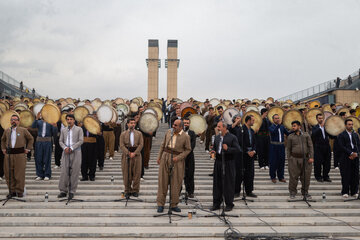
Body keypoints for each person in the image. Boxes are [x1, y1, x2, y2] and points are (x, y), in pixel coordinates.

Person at [156, 119, 191, 213]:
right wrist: (159, 157)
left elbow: (188, 150)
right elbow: (163, 145)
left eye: (176, 125)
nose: (173, 126)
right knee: (162, 181)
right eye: (173, 125)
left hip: (177, 160)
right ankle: (160, 204)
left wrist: (179, 157)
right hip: (165, 156)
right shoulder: (168, 132)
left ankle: (174, 204)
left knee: (176, 183)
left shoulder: (185, 137)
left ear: (181, 127)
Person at [210, 121, 241, 212]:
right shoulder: (216, 137)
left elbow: (238, 150)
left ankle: (229, 203)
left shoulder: (232, 137)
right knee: (217, 183)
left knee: (228, 184)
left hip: (228, 162)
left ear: (224, 127)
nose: (218, 129)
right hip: (218, 162)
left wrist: (228, 149)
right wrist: (213, 152)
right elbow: (215, 148)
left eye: (219, 127)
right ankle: (216, 203)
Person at [1, 114, 34, 198]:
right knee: (9, 173)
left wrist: (28, 149)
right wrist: (3, 149)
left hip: (19, 154)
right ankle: (12, 191)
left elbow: (31, 139)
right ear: (10, 121)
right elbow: (3, 140)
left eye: (15, 120)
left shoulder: (23, 130)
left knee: (19, 173)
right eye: (12, 120)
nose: (13, 121)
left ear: (19, 121)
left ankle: (19, 191)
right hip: (9, 154)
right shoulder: (7, 130)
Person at [57, 114, 84, 199]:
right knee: (64, 172)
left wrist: (72, 148)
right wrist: (65, 148)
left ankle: (72, 191)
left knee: (74, 172)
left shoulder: (79, 129)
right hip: (66, 152)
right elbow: (60, 141)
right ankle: (63, 190)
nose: (69, 121)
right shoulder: (64, 130)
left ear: (74, 120)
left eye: (71, 119)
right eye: (67, 119)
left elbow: (81, 140)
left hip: (76, 152)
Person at [286, 121, 314, 200]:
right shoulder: (290, 136)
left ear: (299, 126)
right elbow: (288, 149)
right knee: (293, 177)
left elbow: (310, 146)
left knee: (306, 177)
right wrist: (289, 159)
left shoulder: (306, 135)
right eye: (292, 126)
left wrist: (311, 157)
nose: (293, 127)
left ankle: (305, 192)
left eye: (294, 126)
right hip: (294, 159)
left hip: (305, 159)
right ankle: (292, 192)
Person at [119, 118, 143, 197]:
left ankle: (135, 190)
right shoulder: (123, 134)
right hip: (127, 155)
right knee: (126, 173)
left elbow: (141, 144)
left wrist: (135, 153)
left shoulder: (139, 133)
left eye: (134, 123)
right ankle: (127, 190)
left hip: (136, 155)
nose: (133, 124)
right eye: (131, 123)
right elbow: (121, 145)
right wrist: (128, 153)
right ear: (127, 124)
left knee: (137, 173)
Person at [337, 119, 360, 198]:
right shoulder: (341, 135)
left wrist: (356, 153)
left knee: (355, 175)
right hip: (345, 157)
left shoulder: (355, 135)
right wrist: (350, 153)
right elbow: (341, 146)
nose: (351, 126)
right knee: (346, 175)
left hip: (355, 157)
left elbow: (358, 145)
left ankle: (354, 191)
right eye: (349, 124)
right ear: (345, 125)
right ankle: (345, 191)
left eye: (351, 124)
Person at [31, 113, 57, 181]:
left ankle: (47, 174)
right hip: (39, 142)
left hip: (47, 142)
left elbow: (54, 133)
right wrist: (36, 118)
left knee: (47, 159)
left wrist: (55, 126)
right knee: (38, 158)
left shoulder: (50, 123)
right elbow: (33, 126)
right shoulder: (39, 122)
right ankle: (39, 174)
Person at [238, 115, 257, 198]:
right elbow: (240, 142)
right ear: (248, 120)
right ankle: (237, 191)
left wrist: (253, 150)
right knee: (240, 173)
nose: (254, 122)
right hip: (243, 155)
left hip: (251, 155)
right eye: (252, 120)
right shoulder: (241, 130)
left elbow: (255, 142)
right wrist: (247, 151)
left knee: (250, 173)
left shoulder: (252, 131)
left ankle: (249, 191)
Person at [268, 114, 289, 183]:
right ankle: (273, 177)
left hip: (281, 146)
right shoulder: (271, 127)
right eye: (276, 118)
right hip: (274, 146)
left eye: (278, 118)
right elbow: (273, 132)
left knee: (281, 162)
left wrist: (294, 130)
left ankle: (281, 177)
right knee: (273, 162)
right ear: (273, 120)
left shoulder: (282, 127)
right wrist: (279, 125)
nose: (277, 119)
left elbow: (288, 133)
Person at [311, 114, 332, 182]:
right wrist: (320, 128)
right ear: (317, 119)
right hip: (318, 147)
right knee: (318, 163)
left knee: (327, 162)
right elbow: (313, 135)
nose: (321, 119)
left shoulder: (327, 127)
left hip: (326, 146)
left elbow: (331, 135)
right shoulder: (315, 127)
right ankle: (318, 176)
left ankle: (326, 176)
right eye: (319, 118)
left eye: (322, 118)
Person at [183, 117, 196, 198]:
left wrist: (187, 152)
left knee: (190, 174)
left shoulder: (192, 133)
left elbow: (193, 144)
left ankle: (190, 191)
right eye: (184, 123)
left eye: (187, 123)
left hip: (190, 156)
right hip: (181, 156)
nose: (186, 124)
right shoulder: (180, 132)